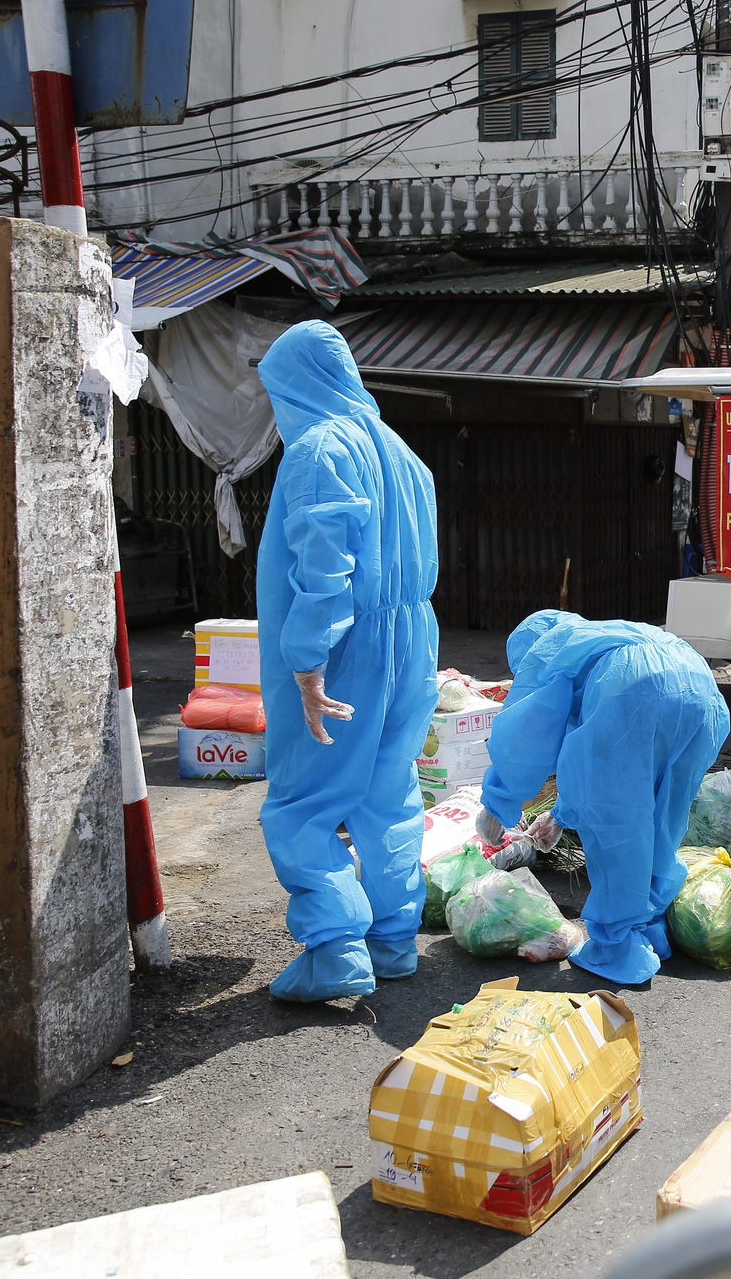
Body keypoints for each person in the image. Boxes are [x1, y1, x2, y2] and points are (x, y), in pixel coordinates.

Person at [255, 322, 440, 1003]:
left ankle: (335, 949)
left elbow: (323, 563)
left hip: (348, 648)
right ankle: (391, 940)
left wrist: (308, 661)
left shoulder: (319, 448)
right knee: (387, 794)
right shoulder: (403, 453)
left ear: (296, 384)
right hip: (413, 638)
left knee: (304, 802)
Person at [475, 611, 728, 985]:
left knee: (617, 826)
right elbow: (589, 756)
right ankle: (650, 930)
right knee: (664, 813)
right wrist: (560, 815)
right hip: (699, 686)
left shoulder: (548, 652)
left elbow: (528, 735)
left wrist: (498, 802)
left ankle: (618, 948)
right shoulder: (604, 635)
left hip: (632, 689)